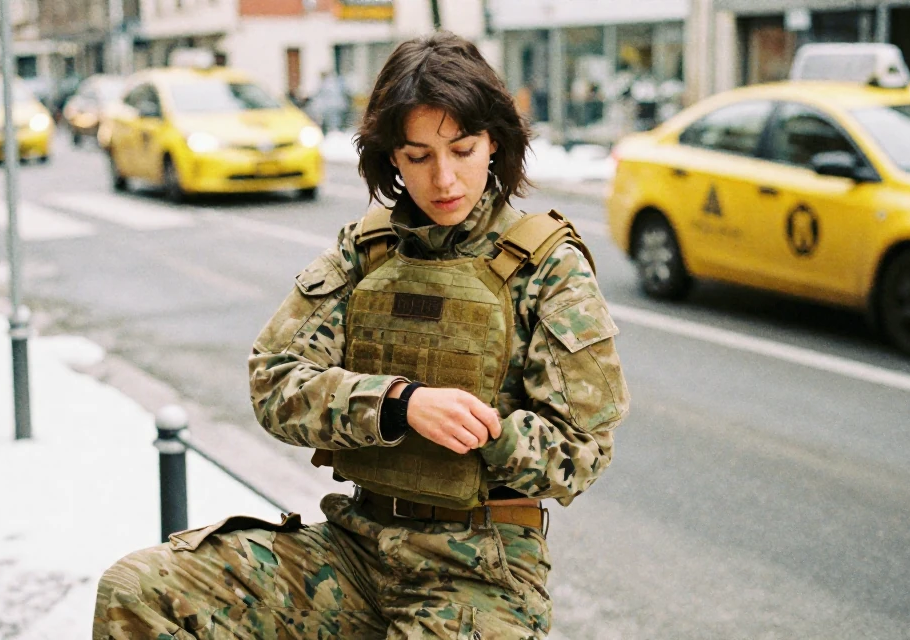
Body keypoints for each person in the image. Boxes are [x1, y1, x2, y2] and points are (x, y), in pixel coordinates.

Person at [92, 31, 629, 639]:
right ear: (391, 160)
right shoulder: (367, 252)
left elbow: (581, 453)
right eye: (418, 156)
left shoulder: (546, 265)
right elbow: (273, 381)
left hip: (481, 571)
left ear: (495, 143)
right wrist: (400, 404)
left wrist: (492, 432)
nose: (445, 178)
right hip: (356, 547)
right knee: (137, 590)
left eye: (463, 148)